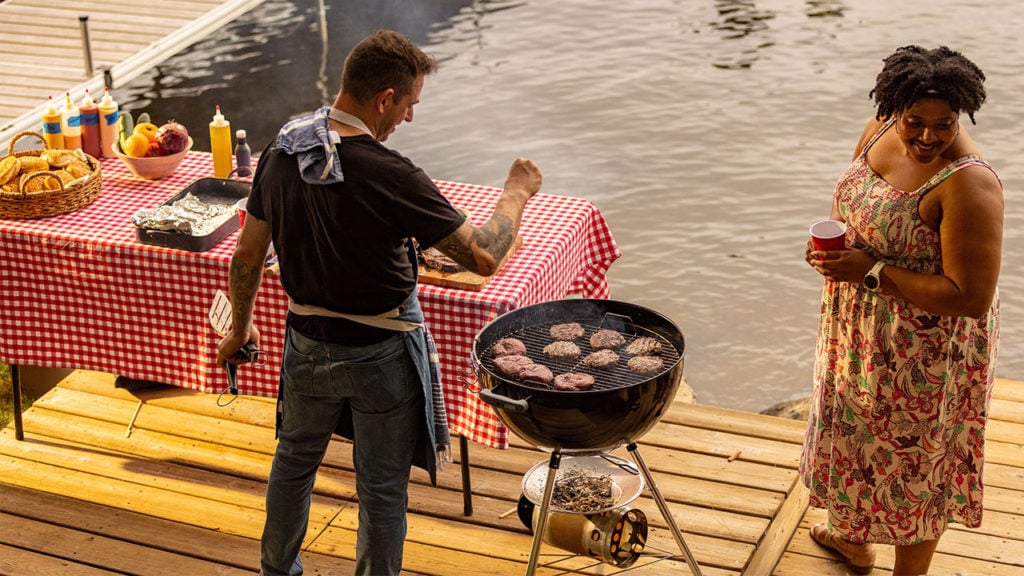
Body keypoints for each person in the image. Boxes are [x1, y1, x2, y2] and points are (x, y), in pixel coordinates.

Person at [217, 29, 542, 576]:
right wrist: (516, 190)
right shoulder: (391, 173)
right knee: (382, 489)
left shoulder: (283, 148)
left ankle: (277, 571)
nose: (409, 119)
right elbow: (484, 257)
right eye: (410, 104)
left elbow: (248, 256)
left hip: (306, 344)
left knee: (293, 464)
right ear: (384, 98)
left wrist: (240, 328)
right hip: (382, 352)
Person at [801, 45, 1002, 576]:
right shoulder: (878, 129)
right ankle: (855, 543)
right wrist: (833, 252)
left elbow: (970, 296)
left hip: (926, 354)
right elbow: (849, 201)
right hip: (861, 327)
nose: (928, 137)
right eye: (916, 122)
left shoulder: (969, 183)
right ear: (894, 109)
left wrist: (870, 272)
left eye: (944, 124)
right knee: (856, 440)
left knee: (917, 463)